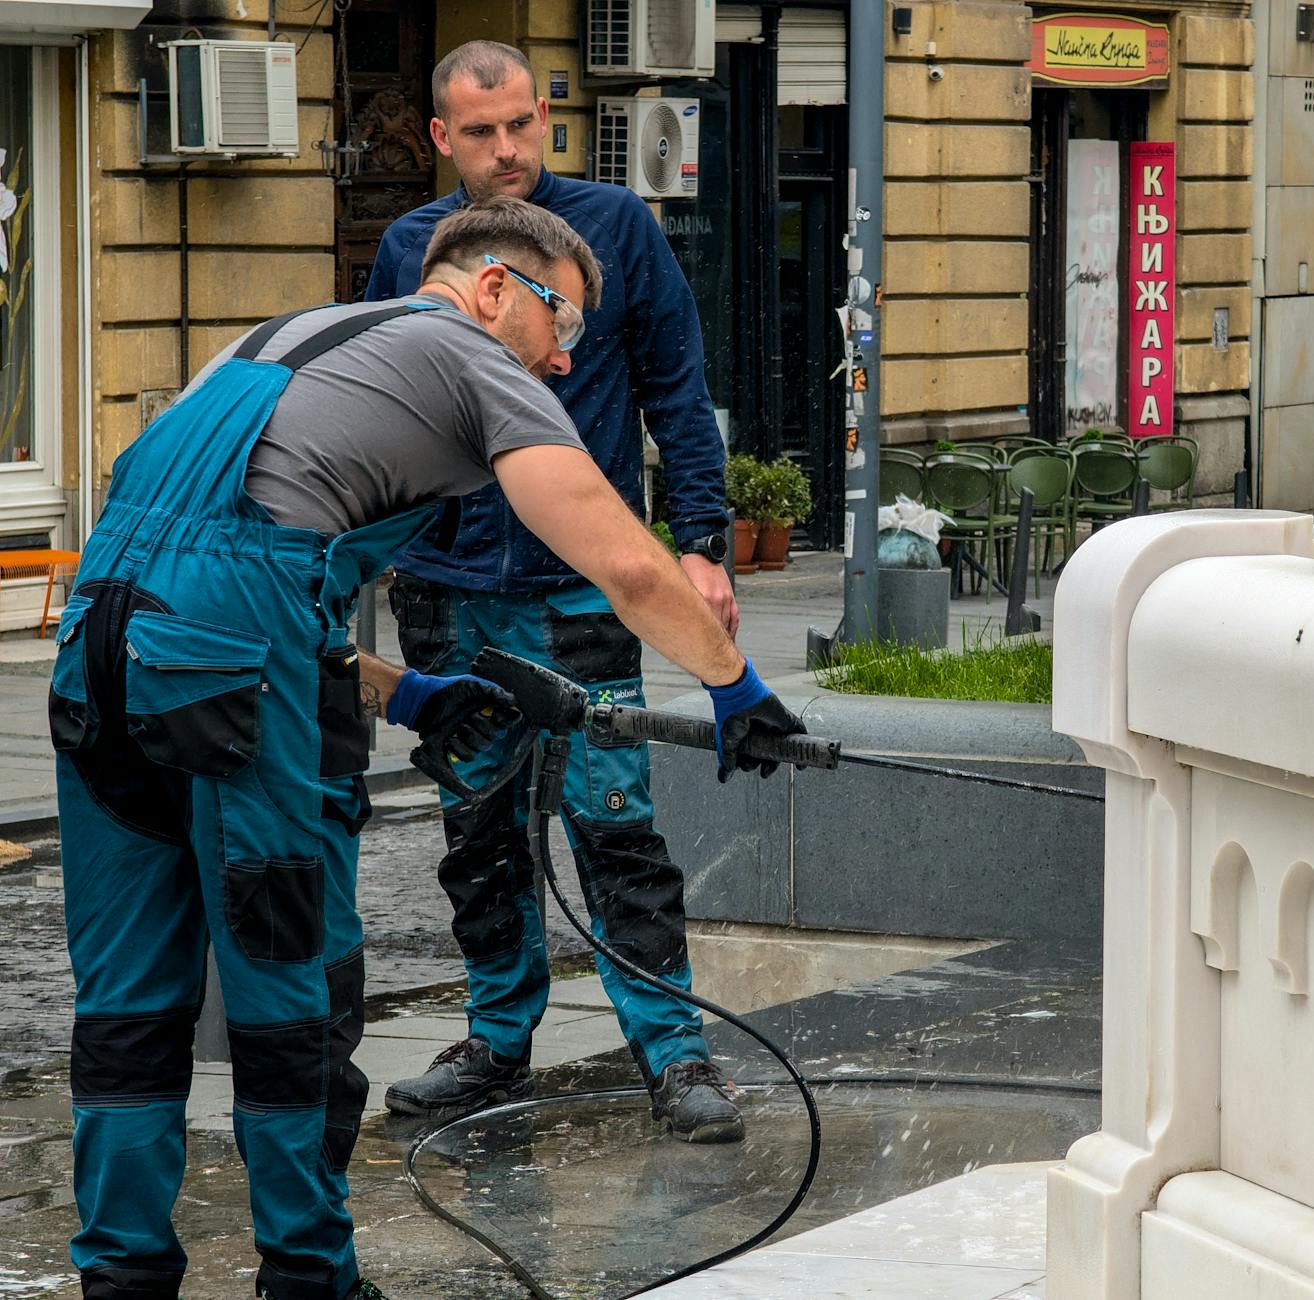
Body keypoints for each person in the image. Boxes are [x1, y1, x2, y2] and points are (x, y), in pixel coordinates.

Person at [50, 195, 802, 1300]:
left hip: (97, 652)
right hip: (230, 677)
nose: (562, 360)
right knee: (290, 990)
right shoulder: (466, 354)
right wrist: (739, 690)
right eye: (567, 327)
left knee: (127, 999)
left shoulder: (267, 347)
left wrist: (403, 693)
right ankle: (310, 1277)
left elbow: (195, 572)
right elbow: (630, 568)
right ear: (496, 288)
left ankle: (120, 1279)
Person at [365, 41, 745, 1141]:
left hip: (582, 590)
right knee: (476, 834)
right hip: (445, 592)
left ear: (547, 118)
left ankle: (673, 1056)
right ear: (442, 138)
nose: (507, 149)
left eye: (522, 124)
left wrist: (704, 542)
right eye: (480, 133)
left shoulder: (614, 232)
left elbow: (677, 384)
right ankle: (495, 1041)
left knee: (614, 826)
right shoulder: (410, 248)